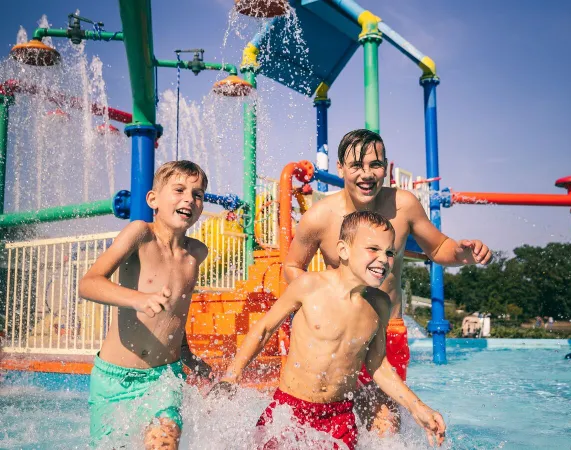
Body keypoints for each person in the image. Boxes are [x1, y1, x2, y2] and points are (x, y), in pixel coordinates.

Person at [283, 129, 493, 432]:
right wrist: (318, 298)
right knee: (332, 419)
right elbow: (292, 265)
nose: (367, 174)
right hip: (340, 333)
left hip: (388, 329)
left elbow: (437, 247)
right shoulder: (321, 216)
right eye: (356, 165)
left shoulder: (403, 205)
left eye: (375, 165)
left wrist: (462, 252)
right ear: (340, 168)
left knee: (385, 425)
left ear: (386, 167)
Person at [216, 211, 446, 449]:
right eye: (373, 249)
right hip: (290, 409)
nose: (383, 259)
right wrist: (231, 376)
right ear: (344, 250)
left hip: (338, 417)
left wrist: (417, 406)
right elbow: (264, 329)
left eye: (389, 253)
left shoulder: (379, 304)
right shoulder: (310, 286)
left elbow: (378, 364)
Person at [79, 160, 209, 449]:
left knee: (164, 443)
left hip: (164, 379)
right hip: (114, 380)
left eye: (198, 194)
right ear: (153, 199)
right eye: (179, 189)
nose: (189, 198)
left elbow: (176, 316)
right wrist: (139, 299)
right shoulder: (141, 234)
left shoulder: (195, 255)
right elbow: (88, 283)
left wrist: (188, 357)